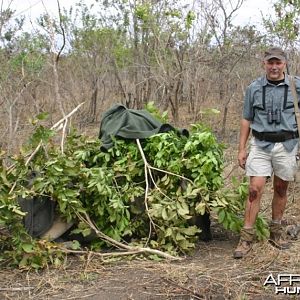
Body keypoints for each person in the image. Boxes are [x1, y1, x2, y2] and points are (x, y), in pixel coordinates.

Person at [233, 47, 300, 259]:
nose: (274, 67)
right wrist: (242, 148)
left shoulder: (295, 85)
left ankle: (276, 232)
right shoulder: (254, 88)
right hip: (260, 145)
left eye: (278, 63)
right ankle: (246, 237)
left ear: (285, 64)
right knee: (255, 188)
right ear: (264, 64)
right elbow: (246, 119)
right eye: (270, 63)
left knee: (281, 188)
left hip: (287, 145)